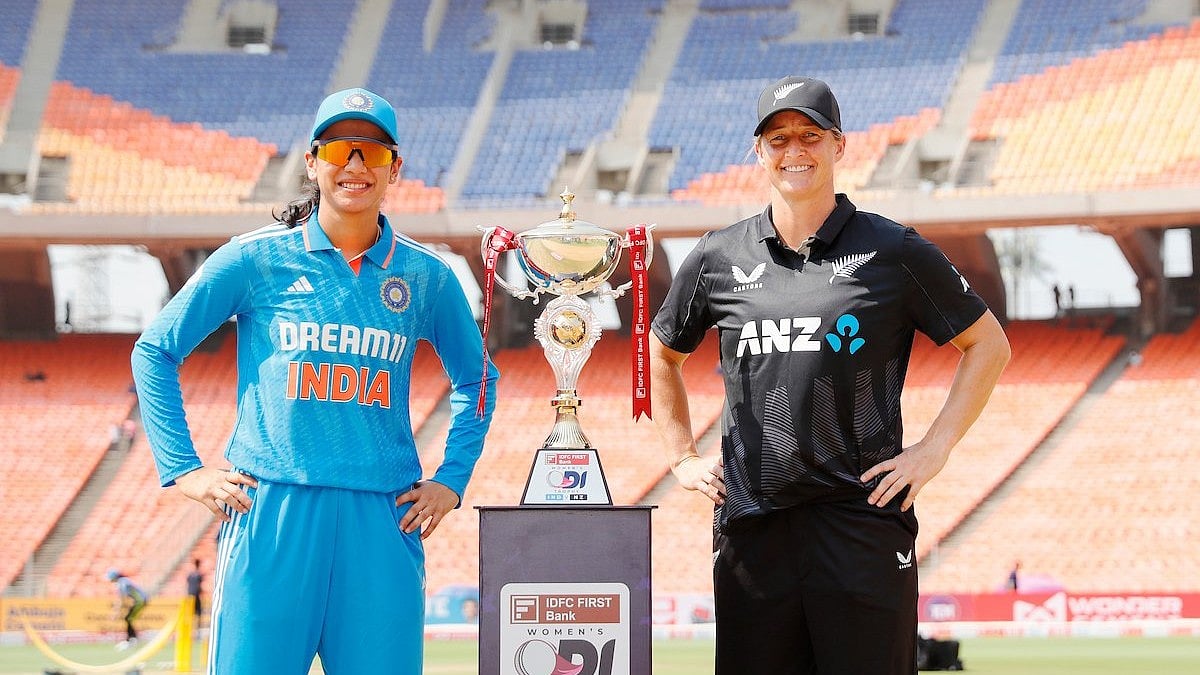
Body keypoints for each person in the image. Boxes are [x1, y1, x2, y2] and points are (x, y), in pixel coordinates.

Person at [649, 76, 1011, 674]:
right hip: (752, 523)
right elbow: (663, 355)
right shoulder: (719, 256)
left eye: (809, 136)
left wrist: (934, 449)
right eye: (778, 138)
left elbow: (988, 345)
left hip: (861, 520)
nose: (794, 151)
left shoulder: (892, 250)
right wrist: (683, 458)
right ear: (758, 151)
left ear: (839, 145)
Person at [131, 87, 498, 675]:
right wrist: (185, 469)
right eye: (339, 150)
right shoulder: (255, 259)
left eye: (373, 153)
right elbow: (155, 350)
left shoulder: (427, 275)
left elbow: (477, 378)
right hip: (271, 512)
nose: (355, 166)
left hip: (382, 518)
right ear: (312, 161)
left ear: (395, 169)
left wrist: (451, 480)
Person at [106, 569, 148, 651]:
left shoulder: (122, 582)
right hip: (139, 601)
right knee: (128, 618)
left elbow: (123, 598)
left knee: (128, 618)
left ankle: (132, 640)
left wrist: (117, 612)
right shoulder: (124, 581)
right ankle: (132, 639)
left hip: (140, 601)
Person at [185, 558, 204, 626]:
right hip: (196, 594)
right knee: (198, 611)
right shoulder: (198, 575)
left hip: (190, 594)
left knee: (190, 610)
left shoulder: (190, 574)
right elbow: (199, 585)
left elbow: (187, 583)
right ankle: (198, 625)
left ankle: (190, 624)